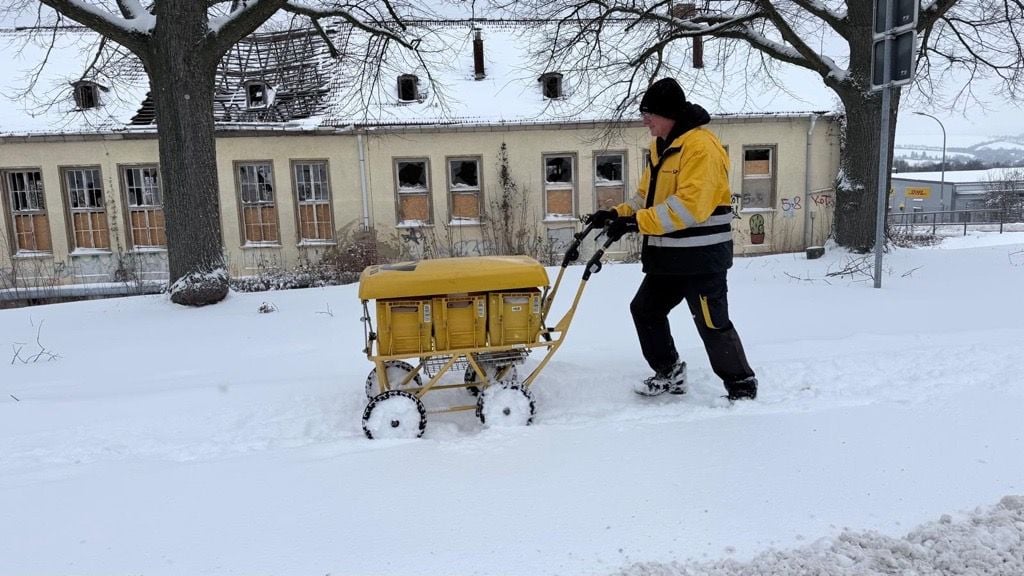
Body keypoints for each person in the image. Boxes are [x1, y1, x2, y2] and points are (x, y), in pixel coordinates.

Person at [587, 77, 757, 401]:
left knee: (712, 323)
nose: (645, 121)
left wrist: (636, 222)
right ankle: (669, 373)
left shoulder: (702, 148)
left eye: (648, 114)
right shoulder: (661, 146)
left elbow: (689, 207)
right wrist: (615, 213)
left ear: (668, 114)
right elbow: (646, 197)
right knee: (645, 310)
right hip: (670, 255)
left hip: (702, 257)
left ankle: (741, 385)